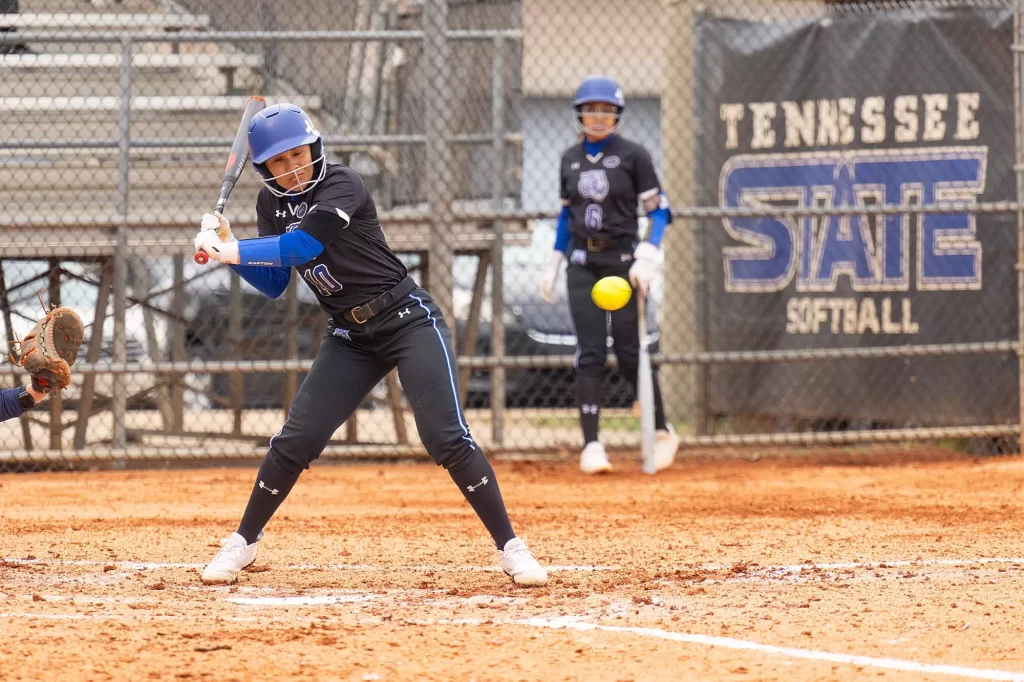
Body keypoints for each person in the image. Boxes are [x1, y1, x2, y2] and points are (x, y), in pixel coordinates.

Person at [194, 103, 547, 587]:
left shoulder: (344, 183)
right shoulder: (270, 204)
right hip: (349, 335)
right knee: (296, 439)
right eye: (278, 161)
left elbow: (303, 247)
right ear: (264, 169)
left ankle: (511, 547)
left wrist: (227, 250)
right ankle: (243, 542)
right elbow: (276, 282)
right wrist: (232, 249)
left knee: (446, 437)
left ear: (314, 148)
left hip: (407, 320)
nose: (292, 167)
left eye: (298, 154)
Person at [540, 75, 680, 475]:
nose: (599, 117)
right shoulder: (569, 158)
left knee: (630, 349)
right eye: (591, 109)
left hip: (622, 263)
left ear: (618, 114)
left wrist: (648, 253)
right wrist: (555, 259)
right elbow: (567, 214)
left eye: (607, 110)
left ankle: (661, 432)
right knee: (590, 351)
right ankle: (592, 445)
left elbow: (659, 211)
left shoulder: (634, 155)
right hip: (583, 262)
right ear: (579, 113)